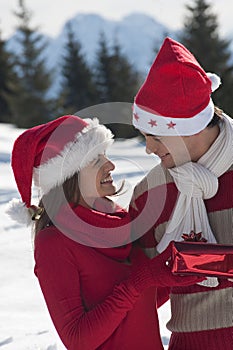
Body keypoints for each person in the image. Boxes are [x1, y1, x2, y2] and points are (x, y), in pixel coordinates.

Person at [6, 115, 202, 350]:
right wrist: (140, 282)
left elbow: (136, 306)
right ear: (68, 175)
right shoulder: (55, 242)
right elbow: (78, 340)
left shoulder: (120, 225)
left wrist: (173, 270)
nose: (110, 165)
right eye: (96, 160)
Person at [130, 36, 233, 350]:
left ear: (190, 126)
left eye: (156, 137)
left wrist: (209, 262)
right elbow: (140, 289)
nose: (149, 149)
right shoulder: (149, 194)